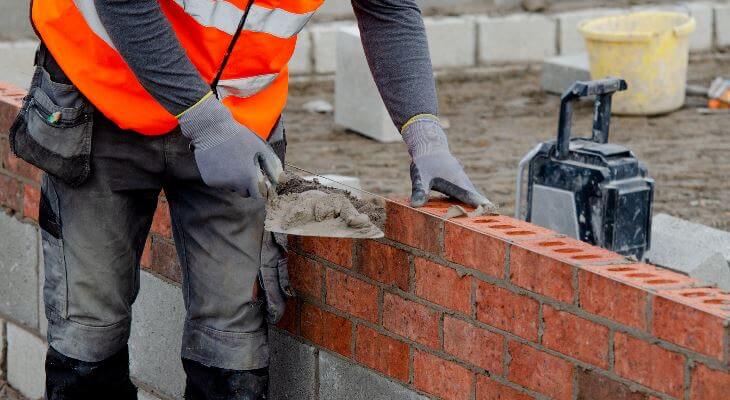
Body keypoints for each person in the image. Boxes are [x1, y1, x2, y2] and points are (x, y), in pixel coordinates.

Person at [13, 0, 490, 398]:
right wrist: (206, 124)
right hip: (102, 98)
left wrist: (425, 135)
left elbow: (387, 9)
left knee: (231, 342)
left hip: (239, 133)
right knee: (88, 333)